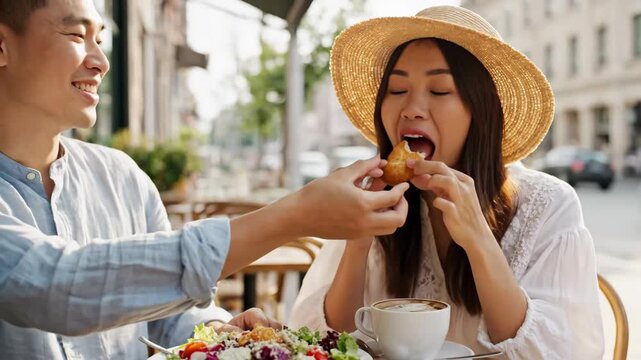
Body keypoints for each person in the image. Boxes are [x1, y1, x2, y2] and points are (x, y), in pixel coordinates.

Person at [0, 0, 410, 359]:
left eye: (101, 40)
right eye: (76, 34)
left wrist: (218, 333)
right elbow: (60, 287)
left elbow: (167, 320)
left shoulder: (121, 176)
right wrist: (293, 216)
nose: (100, 61)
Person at [289, 6, 604, 359]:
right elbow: (328, 343)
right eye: (396, 89)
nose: (412, 108)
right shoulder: (374, 202)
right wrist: (358, 241)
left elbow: (554, 353)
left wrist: (478, 238)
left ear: (480, 113)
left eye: (439, 91)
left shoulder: (547, 204)